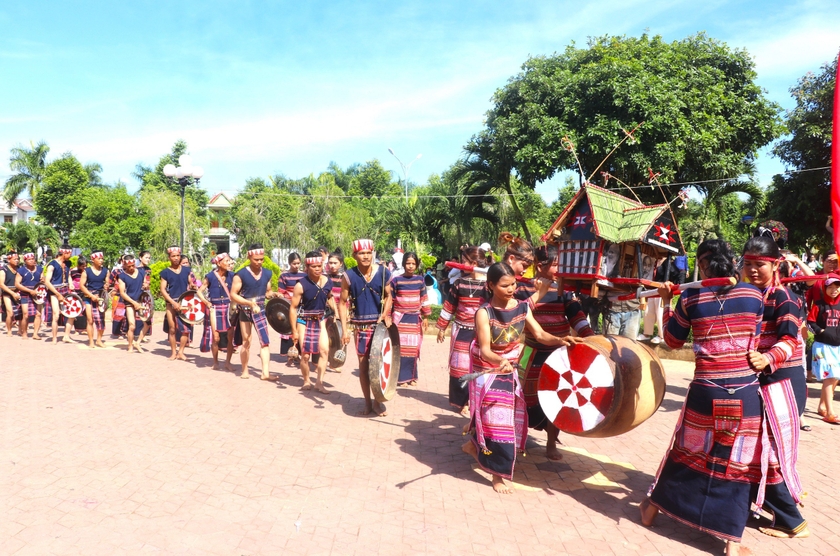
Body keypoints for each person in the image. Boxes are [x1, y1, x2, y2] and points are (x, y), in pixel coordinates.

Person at [640, 239, 767, 556]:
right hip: (745, 393)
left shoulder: (691, 297)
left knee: (686, 452)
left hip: (705, 392)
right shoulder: (754, 295)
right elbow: (756, 339)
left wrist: (669, 302)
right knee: (737, 464)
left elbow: (671, 340)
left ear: (703, 265)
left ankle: (651, 510)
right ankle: (731, 544)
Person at [461, 262, 578, 494]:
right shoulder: (483, 313)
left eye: (514, 283)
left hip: (510, 368)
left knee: (499, 419)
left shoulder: (523, 308)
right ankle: (497, 475)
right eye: (505, 285)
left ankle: (474, 446)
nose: (511, 288)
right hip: (487, 368)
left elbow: (540, 334)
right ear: (491, 285)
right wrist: (499, 361)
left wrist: (561, 339)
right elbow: (485, 349)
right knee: (498, 421)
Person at [740, 236, 809, 539]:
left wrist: (765, 357)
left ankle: (790, 520)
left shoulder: (785, 298)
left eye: (760, 265)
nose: (753, 270)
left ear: (776, 264)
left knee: (767, 453)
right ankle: (752, 506)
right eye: (749, 264)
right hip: (760, 380)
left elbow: (790, 339)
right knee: (755, 449)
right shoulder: (749, 294)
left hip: (783, 383)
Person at [520, 245, 594, 460]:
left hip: (560, 354)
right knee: (526, 398)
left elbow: (576, 316)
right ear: (539, 266)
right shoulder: (523, 288)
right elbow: (519, 314)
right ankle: (520, 437)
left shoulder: (565, 289)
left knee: (558, 399)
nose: (559, 268)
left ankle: (552, 442)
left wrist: (589, 337)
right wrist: (538, 292)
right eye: (555, 264)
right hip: (533, 353)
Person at [339, 238, 393, 416]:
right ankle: (367, 403)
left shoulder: (384, 272)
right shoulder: (349, 276)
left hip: (379, 326)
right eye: (362, 253)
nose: (366, 256)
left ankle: (378, 402)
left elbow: (389, 297)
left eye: (369, 253)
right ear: (355, 256)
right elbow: (342, 302)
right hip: (360, 327)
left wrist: (385, 314)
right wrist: (344, 330)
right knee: (363, 367)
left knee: (377, 365)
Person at [436, 245, 489, 415]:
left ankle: (476, 400)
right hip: (461, 330)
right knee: (460, 367)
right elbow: (450, 306)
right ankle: (462, 403)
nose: (461, 264)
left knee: (479, 367)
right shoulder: (459, 283)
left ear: (473, 263)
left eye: (464, 261)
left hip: (482, 333)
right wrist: (442, 327)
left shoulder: (490, 286)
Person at [289, 251, 337, 394]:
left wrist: (337, 314)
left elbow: (329, 296)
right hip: (304, 320)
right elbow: (293, 308)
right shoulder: (300, 285)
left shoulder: (328, 281)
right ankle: (306, 380)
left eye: (319, 266)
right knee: (305, 354)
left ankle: (319, 383)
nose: (317, 269)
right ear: (307, 267)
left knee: (324, 351)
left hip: (321, 319)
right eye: (314, 266)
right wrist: (294, 330)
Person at [231, 244, 280, 380]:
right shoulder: (240, 274)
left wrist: (273, 294)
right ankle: (245, 370)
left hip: (260, 310)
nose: (259, 262)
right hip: (245, 310)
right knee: (247, 341)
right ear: (249, 257)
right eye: (256, 259)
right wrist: (248, 303)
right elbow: (233, 295)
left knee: (265, 341)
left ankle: (265, 373)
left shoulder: (267, 273)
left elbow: (267, 292)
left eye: (261, 259)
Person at [390, 252, 431, 387]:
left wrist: (425, 317)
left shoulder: (420, 280)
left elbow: (424, 298)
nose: (411, 266)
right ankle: (401, 378)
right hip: (400, 319)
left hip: (414, 318)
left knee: (413, 348)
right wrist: (388, 317)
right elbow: (390, 299)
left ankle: (412, 376)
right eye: (408, 263)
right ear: (403, 264)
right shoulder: (396, 280)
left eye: (413, 263)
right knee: (400, 348)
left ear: (417, 265)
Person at [809, 272, 840, 423]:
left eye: (837, 287)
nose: (834, 290)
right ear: (824, 288)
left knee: (834, 378)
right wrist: (821, 331)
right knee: (830, 376)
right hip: (823, 346)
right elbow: (810, 322)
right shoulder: (819, 304)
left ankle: (822, 406)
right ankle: (831, 412)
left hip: (837, 347)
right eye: (830, 287)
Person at [197, 253, 236, 371]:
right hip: (215, 308)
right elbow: (199, 291)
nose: (229, 263)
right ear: (218, 263)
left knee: (230, 336)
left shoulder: (233, 276)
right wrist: (206, 302)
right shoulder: (210, 276)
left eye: (230, 261)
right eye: (226, 261)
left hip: (228, 309)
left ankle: (228, 363)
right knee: (216, 337)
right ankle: (215, 362)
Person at [160, 246, 194, 361]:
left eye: (178, 256)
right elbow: (163, 290)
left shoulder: (186, 270)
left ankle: (181, 352)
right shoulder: (165, 272)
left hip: (185, 302)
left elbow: (192, 283)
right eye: (173, 256)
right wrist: (173, 302)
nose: (176, 258)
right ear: (169, 257)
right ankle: (173, 352)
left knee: (185, 329)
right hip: (171, 303)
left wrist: (194, 285)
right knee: (172, 329)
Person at [43, 245, 75, 344]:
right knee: (56, 315)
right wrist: (57, 294)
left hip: (65, 290)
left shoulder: (68, 263)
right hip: (54, 291)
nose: (70, 255)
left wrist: (70, 283)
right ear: (64, 253)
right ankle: (54, 338)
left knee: (71, 313)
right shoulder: (52, 264)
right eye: (69, 253)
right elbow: (47, 282)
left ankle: (66, 336)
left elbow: (68, 274)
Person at [79, 251, 111, 348]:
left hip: (100, 297)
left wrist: (106, 285)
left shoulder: (106, 271)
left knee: (101, 319)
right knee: (90, 320)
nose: (101, 260)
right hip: (89, 297)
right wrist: (91, 295)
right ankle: (91, 341)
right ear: (93, 260)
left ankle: (99, 340)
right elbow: (82, 286)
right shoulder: (86, 271)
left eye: (102, 259)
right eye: (99, 259)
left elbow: (107, 283)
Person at [279, 252, 305, 364]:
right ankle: (290, 355)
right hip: (288, 306)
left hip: (302, 306)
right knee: (289, 329)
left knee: (299, 330)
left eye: (298, 263)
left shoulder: (304, 275)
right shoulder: (284, 276)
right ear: (290, 263)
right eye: (294, 263)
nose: (296, 265)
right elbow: (281, 292)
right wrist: (288, 297)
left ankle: (298, 354)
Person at [499, 232, 536, 300]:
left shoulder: (521, 285)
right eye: (524, 266)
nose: (525, 271)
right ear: (511, 259)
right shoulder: (495, 281)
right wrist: (540, 293)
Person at [14, 252, 43, 339]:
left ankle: (35, 333)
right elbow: (17, 284)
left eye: (32, 259)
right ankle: (24, 333)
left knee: (38, 314)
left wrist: (43, 280)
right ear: (25, 261)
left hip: (37, 294)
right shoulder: (21, 271)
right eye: (29, 259)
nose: (31, 261)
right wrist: (29, 291)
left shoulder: (39, 269)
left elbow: (42, 280)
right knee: (25, 314)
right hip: (25, 294)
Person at [0, 251, 22, 336]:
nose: (17, 261)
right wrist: (12, 293)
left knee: (21, 312)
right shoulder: (3, 270)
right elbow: (1, 284)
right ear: (9, 260)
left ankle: (20, 330)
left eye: (18, 259)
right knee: (10, 312)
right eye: (15, 259)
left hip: (18, 291)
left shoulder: (20, 269)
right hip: (7, 293)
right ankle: (9, 331)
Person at [137, 251, 153, 343]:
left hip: (146, 294)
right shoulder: (136, 269)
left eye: (149, 258)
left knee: (146, 316)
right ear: (140, 258)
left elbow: (148, 281)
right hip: (137, 293)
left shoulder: (148, 270)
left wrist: (146, 285)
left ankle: (142, 336)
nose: (148, 259)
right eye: (146, 257)